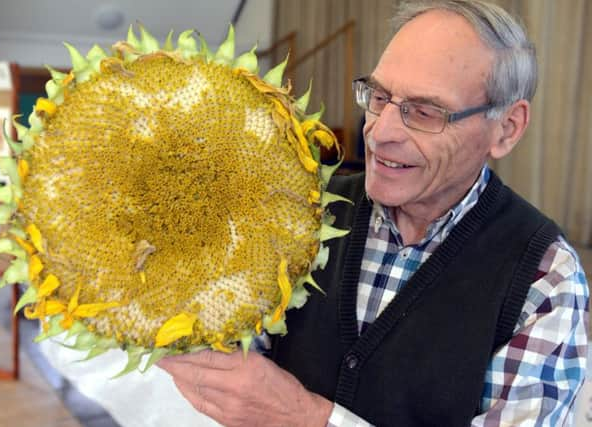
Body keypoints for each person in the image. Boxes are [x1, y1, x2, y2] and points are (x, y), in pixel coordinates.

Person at [158, 1, 589, 425]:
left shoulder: (545, 280)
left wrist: (308, 419)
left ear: (507, 128)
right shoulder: (302, 210)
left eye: (424, 112)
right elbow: (230, 346)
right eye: (379, 96)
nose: (379, 133)